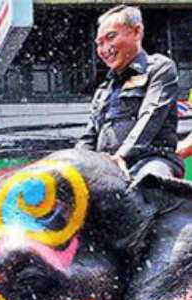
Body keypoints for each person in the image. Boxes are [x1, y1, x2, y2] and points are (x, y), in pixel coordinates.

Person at [76, 5, 183, 180]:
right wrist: (74, 164)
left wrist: (122, 155)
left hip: (151, 160)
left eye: (111, 37)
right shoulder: (103, 90)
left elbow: (151, 115)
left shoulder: (159, 68)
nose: (105, 49)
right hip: (107, 168)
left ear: (137, 32)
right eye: (99, 43)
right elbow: (89, 137)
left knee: (150, 182)